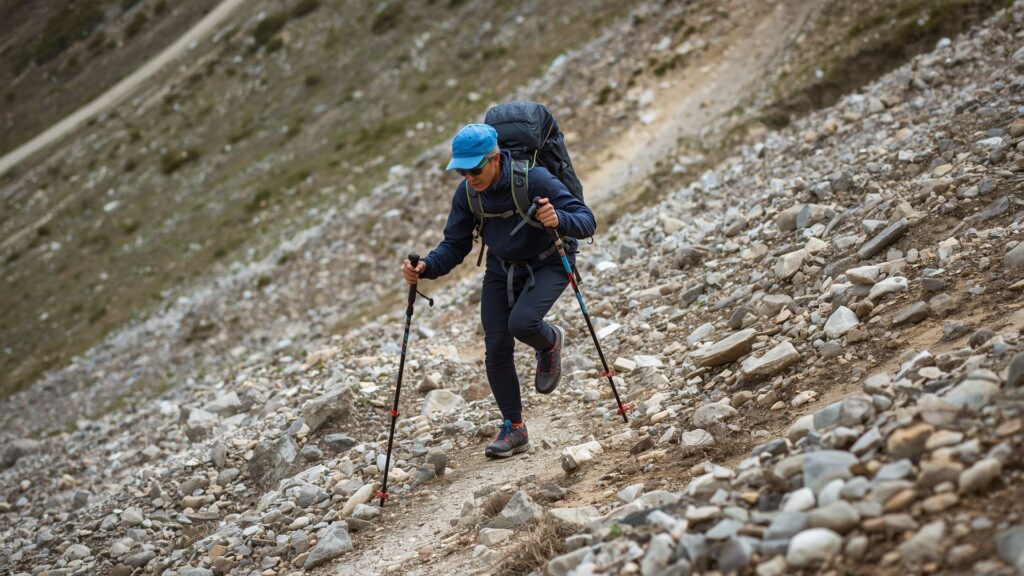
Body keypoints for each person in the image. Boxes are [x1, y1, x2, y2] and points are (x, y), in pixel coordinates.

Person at [402, 123, 596, 458]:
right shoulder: (467, 193)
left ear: (495, 159)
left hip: (549, 261)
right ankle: (514, 428)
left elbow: (586, 220)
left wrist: (558, 218)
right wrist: (427, 267)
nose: (468, 176)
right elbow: (455, 244)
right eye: (461, 170)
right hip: (502, 268)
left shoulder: (534, 180)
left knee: (522, 323)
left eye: (474, 169)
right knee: (496, 345)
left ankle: (550, 342)